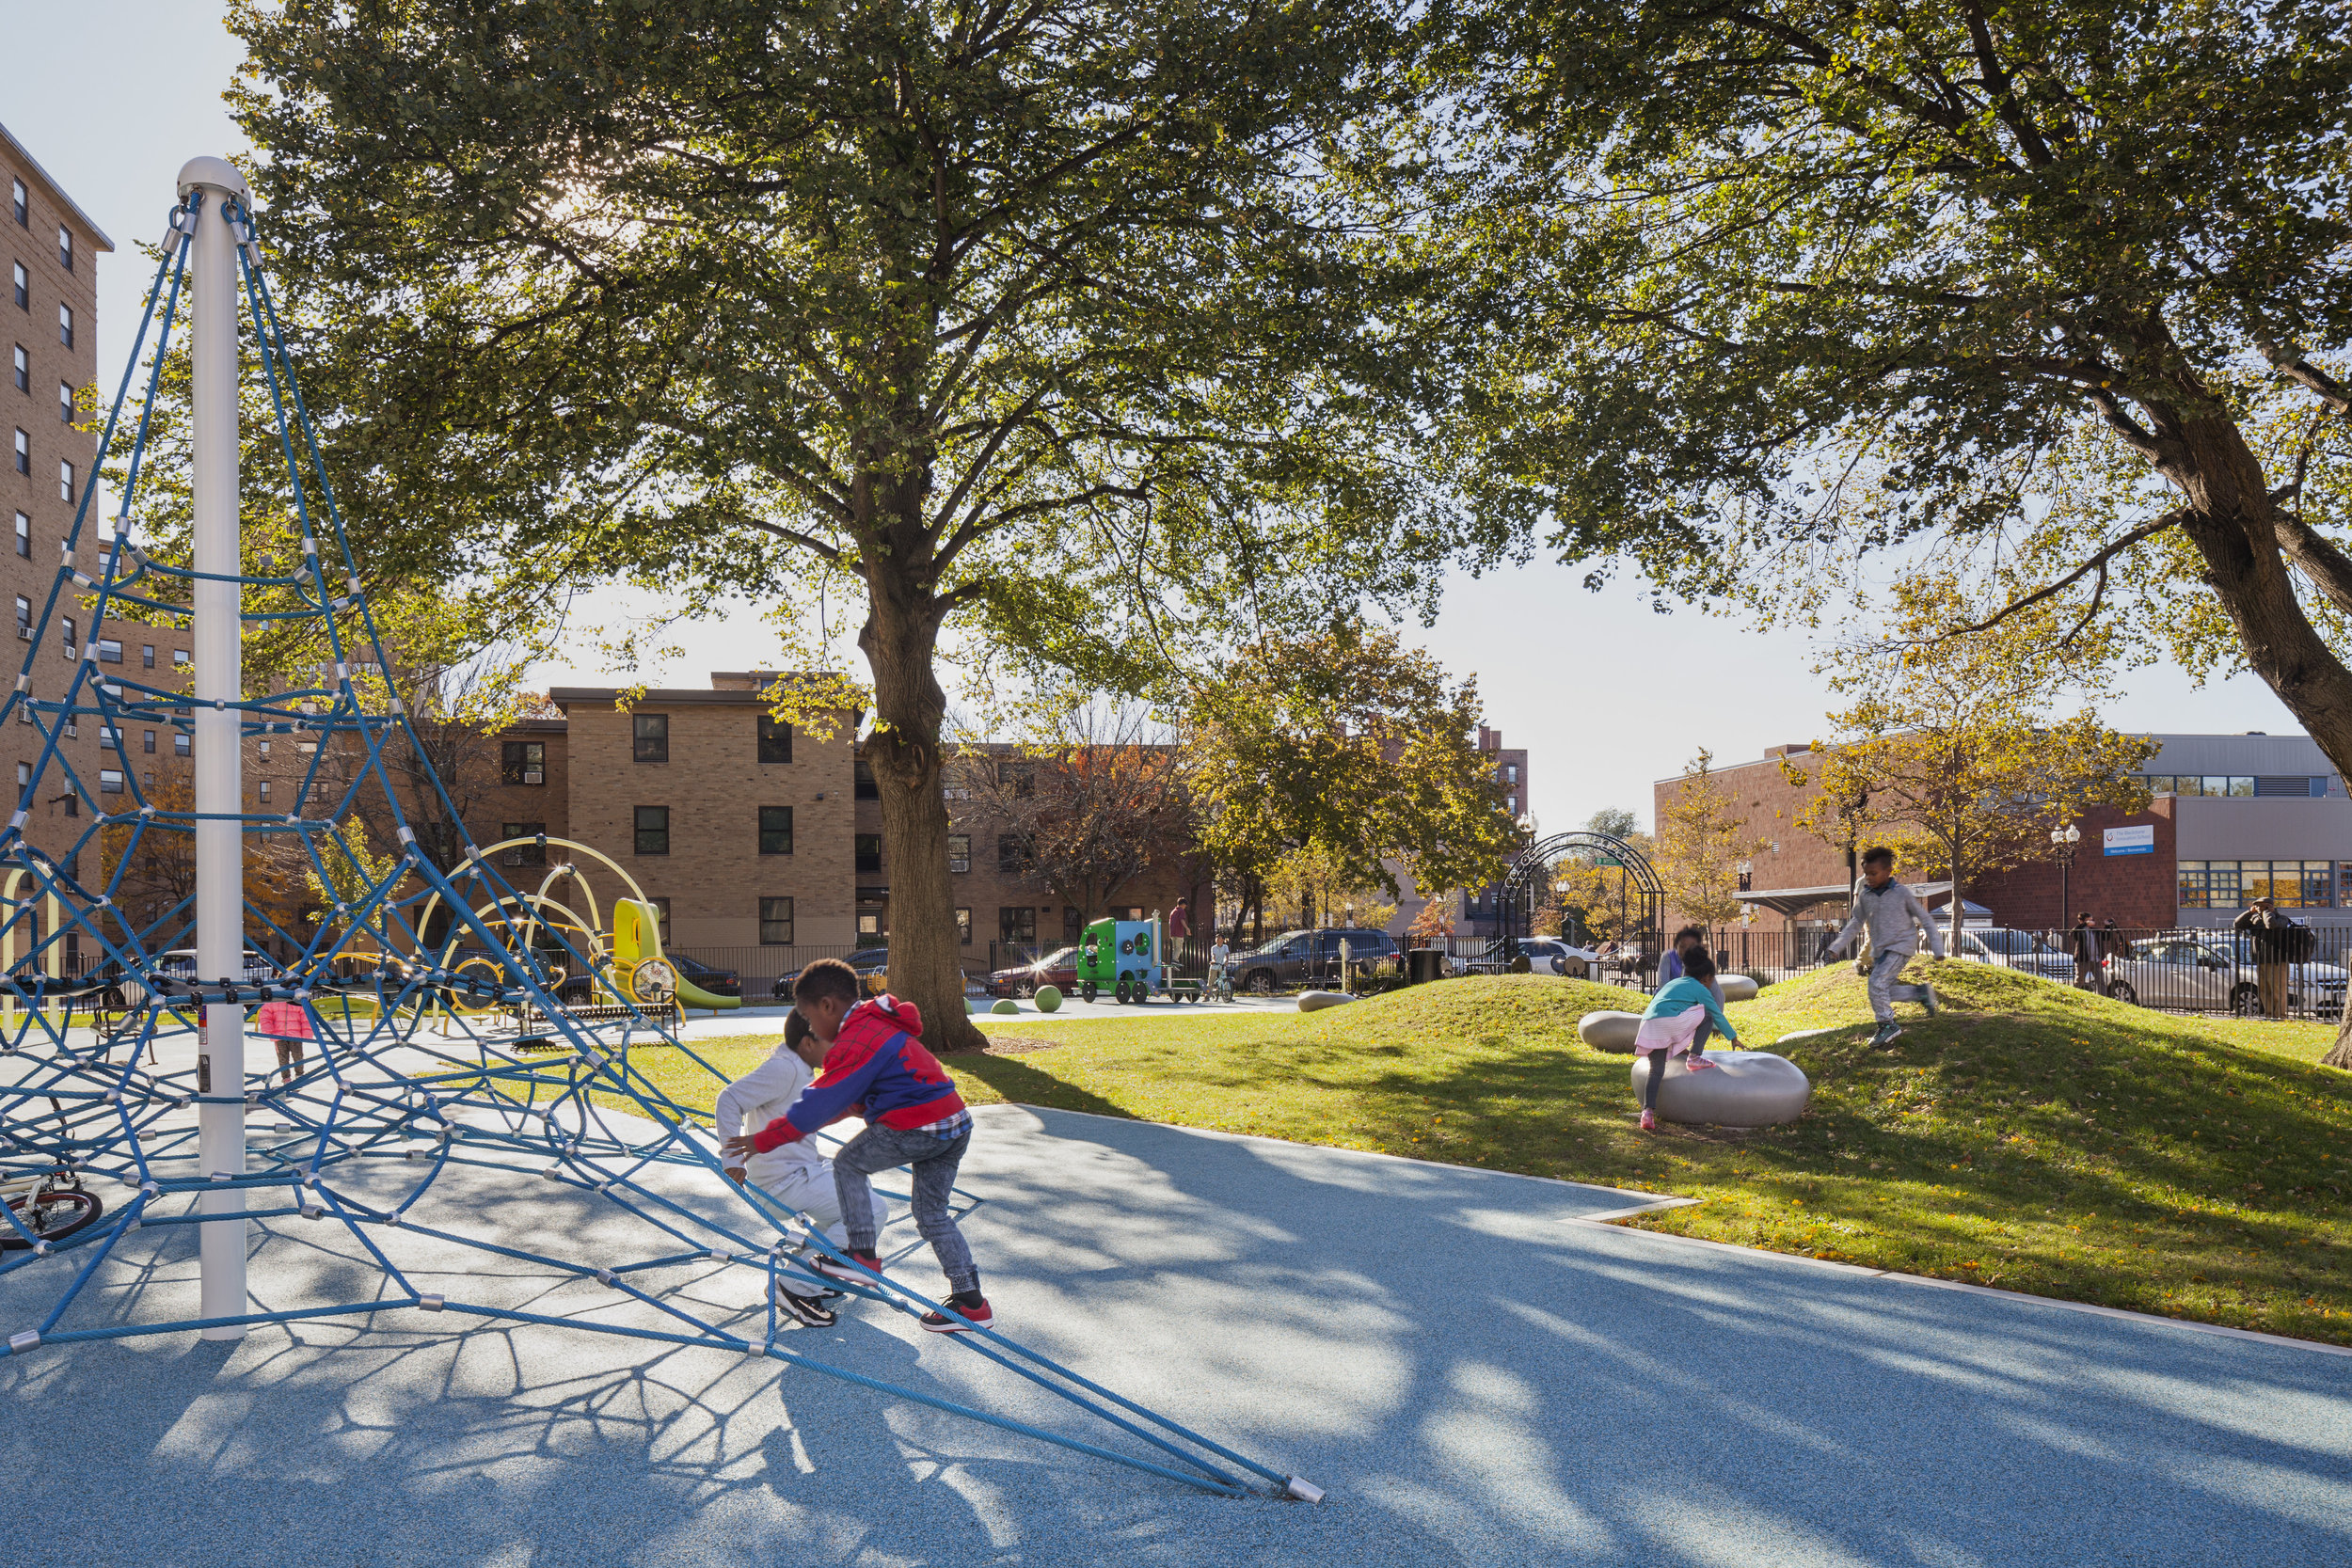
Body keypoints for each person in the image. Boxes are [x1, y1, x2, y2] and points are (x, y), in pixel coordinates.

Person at [722, 958, 990, 1332]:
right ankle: (971, 1301)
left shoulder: (856, 1039)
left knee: (849, 1164)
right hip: (955, 1122)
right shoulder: (873, 1024)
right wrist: (756, 1145)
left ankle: (858, 1258)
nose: (811, 1028)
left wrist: (764, 1139)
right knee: (931, 1215)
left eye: (810, 1018)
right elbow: (840, 1102)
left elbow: (823, 1102)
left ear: (828, 1008)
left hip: (917, 1125)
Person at [715, 1008, 887, 1328]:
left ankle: (809, 1275)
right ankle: (793, 1285)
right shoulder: (785, 1069)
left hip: (799, 1171)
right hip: (783, 1183)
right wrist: (732, 1159)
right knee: (871, 1209)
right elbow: (729, 1099)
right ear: (809, 1042)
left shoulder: (799, 1067)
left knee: (860, 1197)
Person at [1824, 847, 1944, 1047]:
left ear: (1888, 871)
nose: (1869, 878)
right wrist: (1837, 946)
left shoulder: (1901, 893)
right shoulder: (1866, 896)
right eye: (1866, 874)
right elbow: (1855, 923)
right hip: (1880, 949)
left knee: (1876, 983)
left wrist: (1938, 949)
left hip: (1901, 946)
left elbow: (1925, 918)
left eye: (1873, 873)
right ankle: (1921, 993)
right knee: (1883, 990)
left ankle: (1887, 1024)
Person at [1633, 948, 1739, 1132]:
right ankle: (1695, 1056)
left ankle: (1647, 1113)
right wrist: (1733, 1037)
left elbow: (1664, 1008)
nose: (1712, 983)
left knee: (1656, 1071)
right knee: (1706, 1014)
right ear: (1705, 978)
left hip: (1650, 1025)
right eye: (1711, 979)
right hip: (1669, 1023)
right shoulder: (1699, 988)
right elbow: (1716, 1013)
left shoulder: (1673, 984)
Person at [1657, 925, 1726, 1052]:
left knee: (1705, 1016)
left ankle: (1695, 1051)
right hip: (1668, 1003)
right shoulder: (1668, 957)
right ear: (1676, 945)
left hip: (1690, 1003)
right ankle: (1674, 1044)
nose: (1686, 950)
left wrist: (1717, 1024)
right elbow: (1663, 985)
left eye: (1692, 947)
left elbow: (1717, 993)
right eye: (1682, 946)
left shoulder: (1700, 963)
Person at [2233, 895, 2296, 1020]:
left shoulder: (2281, 919)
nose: (2258, 908)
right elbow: (2237, 924)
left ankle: (2280, 1016)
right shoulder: (2254, 919)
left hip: (2277, 960)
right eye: (2256, 905)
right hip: (2261, 960)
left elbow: (2271, 924)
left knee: (2278, 989)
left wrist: (2267, 912)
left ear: (2269, 906)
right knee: (2264, 989)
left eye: (2261, 906)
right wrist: (2249, 912)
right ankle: (2269, 1014)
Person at [255, 996, 312, 1085]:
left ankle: (299, 1074)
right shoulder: (274, 1001)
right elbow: (266, 1014)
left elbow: (305, 1017)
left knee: (298, 1056)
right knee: (282, 1057)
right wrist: (267, 1028)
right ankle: (286, 1078)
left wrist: (307, 1032)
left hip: (295, 1034)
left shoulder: (296, 1001)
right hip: (279, 1034)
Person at [2068, 912, 2103, 991]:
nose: (2091, 922)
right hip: (2083, 960)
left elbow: (2105, 936)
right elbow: (2071, 934)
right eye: (2088, 920)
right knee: (2079, 981)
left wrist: (2109, 925)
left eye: (2092, 920)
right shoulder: (2079, 930)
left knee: (2101, 981)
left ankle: (2103, 998)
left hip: (2096, 959)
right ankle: (2073, 995)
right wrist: (2084, 925)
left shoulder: (2094, 931)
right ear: (2082, 921)